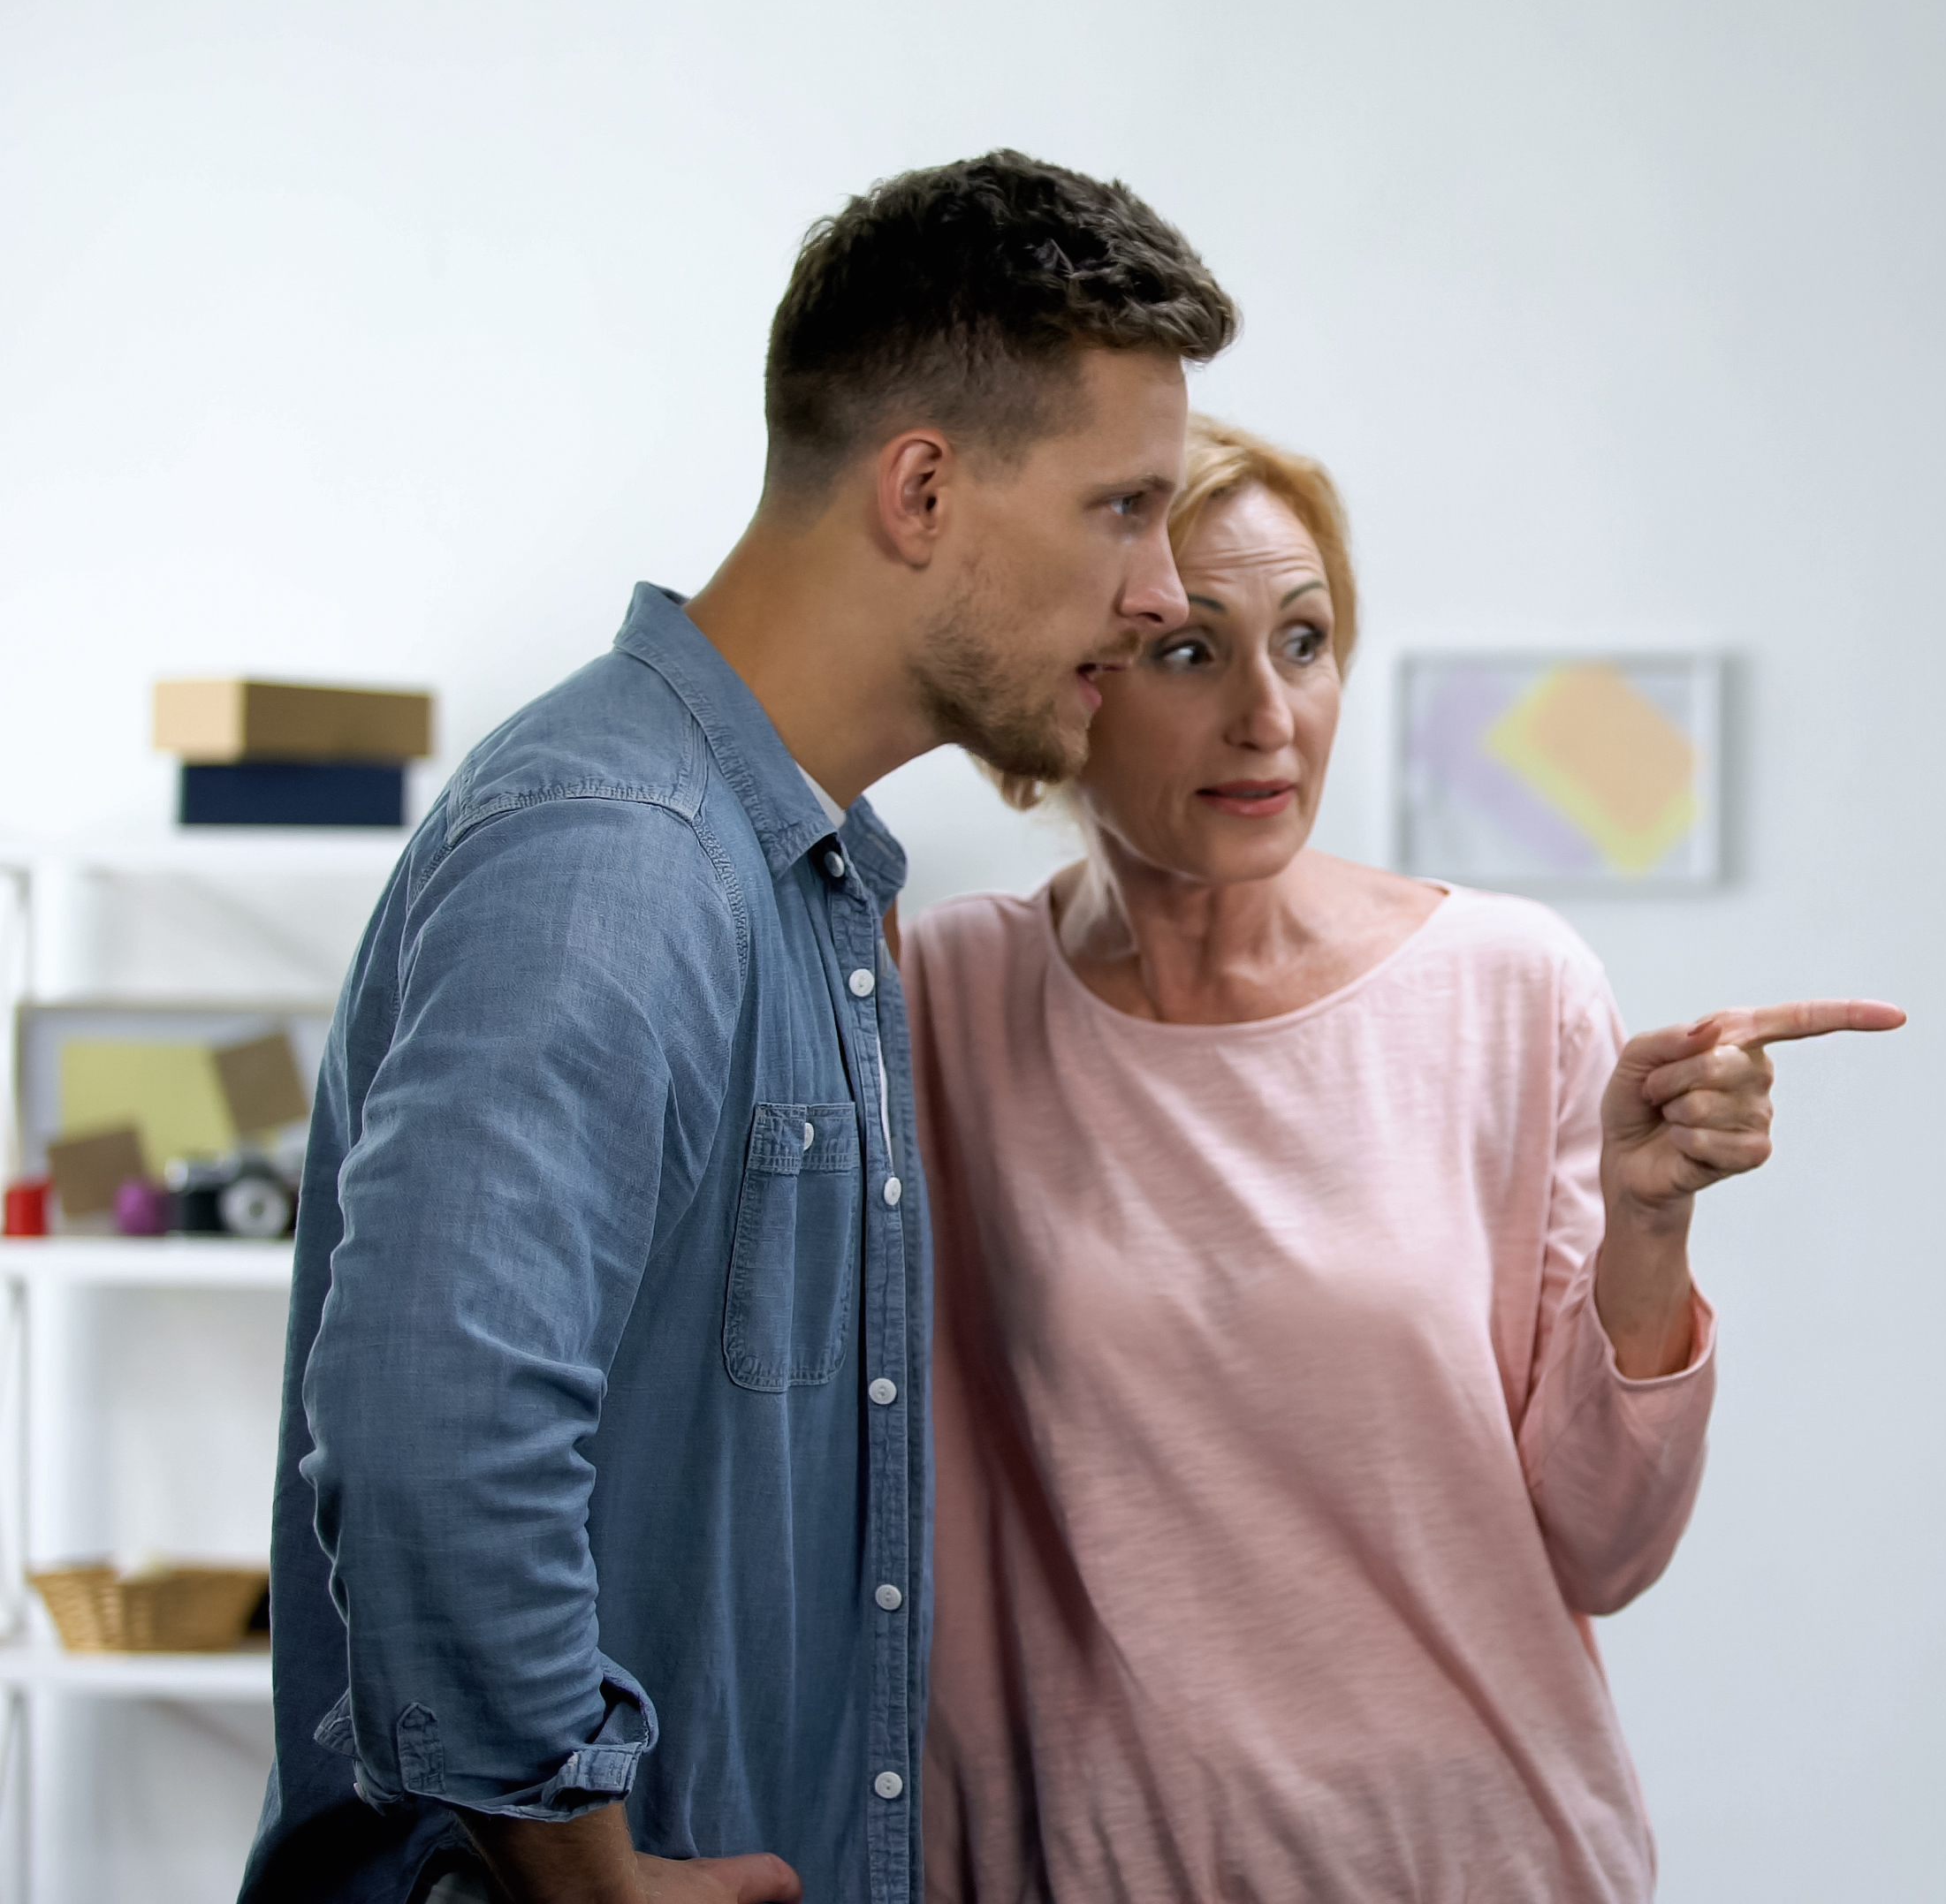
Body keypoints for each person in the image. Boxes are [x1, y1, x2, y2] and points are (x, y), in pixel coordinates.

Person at [241, 152, 1237, 1904]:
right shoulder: (616, 856)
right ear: (922, 490)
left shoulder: (808, 878)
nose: (1163, 590)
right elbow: (429, 1424)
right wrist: (591, 1878)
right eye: (1121, 509)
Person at [907, 414, 1903, 1902]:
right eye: (1192, 650)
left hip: (1476, 1858)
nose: (1268, 716)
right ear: (1073, 686)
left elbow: (1605, 1550)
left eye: (1305, 645)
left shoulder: (1510, 983)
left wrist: (1650, 1230)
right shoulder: (933, 1004)